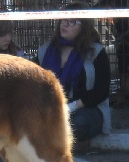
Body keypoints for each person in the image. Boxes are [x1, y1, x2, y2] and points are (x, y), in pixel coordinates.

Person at [35, 2, 111, 147]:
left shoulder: (95, 51)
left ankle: (49, 140)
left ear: (83, 26)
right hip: (51, 108)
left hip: (85, 109)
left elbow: (102, 91)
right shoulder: (45, 51)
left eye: (72, 21)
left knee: (78, 123)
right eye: (64, 19)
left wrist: (73, 106)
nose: (65, 24)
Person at [94, 0, 129, 108]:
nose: (103, 20)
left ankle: (123, 96)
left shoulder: (123, 17)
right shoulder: (118, 20)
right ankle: (123, 95)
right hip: (123, 50)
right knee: (123, 69)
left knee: (124, 70)